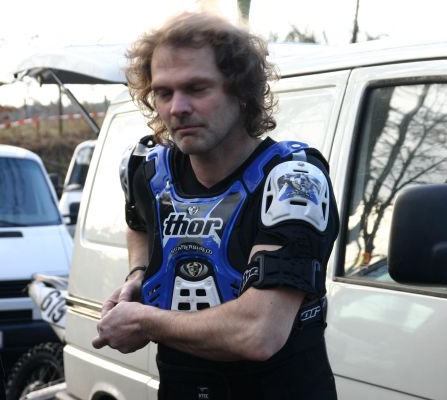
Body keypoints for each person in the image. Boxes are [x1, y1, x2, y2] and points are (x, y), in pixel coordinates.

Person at [92, 11, 339, 400]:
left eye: (197, 88)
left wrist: (145, 321)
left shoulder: (293, 181)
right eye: (164, 93)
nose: (177, 108)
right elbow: (139, 223)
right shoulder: (148, 171)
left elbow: (259, 332)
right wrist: (138, 276)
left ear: (242, 91)